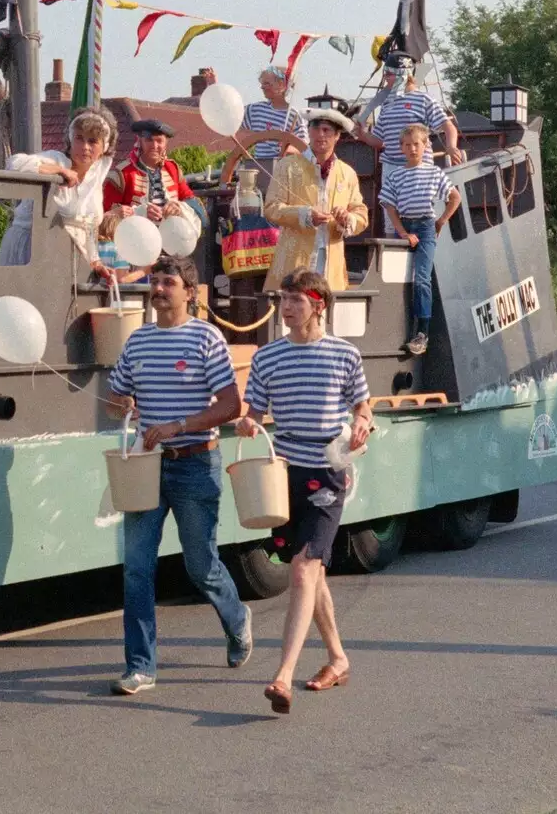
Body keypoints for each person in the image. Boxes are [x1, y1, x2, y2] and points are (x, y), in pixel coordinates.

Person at [106, 255, 252, 695]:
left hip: (194, 463)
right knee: (136, 568)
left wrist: (178, 425)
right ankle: (140, 666)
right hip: (147, 467)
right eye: (155, 281)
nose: (159, 288)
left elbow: (231, 406)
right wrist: (122, 404)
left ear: (189, 292)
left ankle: (237, 617)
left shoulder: (206, 338)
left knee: (200, 565)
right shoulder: (137, 341)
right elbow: (114, 396)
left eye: (168, 281)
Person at [236, 268, 372, 714]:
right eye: (284, 298)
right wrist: (248, 421)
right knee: (312, 574)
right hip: (282, 474)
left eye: (296, 299)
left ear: (319, 304)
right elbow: (254, 410)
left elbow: (362, 405)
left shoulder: (345, 355)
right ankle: (337, 658)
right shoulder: (267, 357)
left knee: (302, 567)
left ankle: (283, 676)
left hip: (328, 473)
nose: (287, 306)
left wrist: (362, 424)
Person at [376, 123, 461, 355]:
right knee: (397, 279)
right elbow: (389, 205)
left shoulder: (434, 173)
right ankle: (390, 330)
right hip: (405, 226)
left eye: (417, 144)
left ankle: (422, 333)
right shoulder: (396, 175)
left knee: (422, 277)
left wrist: (441, 221)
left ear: (425, 146)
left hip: (425, 227)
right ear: (401, 148)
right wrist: (402, 232)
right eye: (408, 145)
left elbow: (455, 197)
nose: (413, 149)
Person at [262, 109, 369, 293]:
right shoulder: (287, 166)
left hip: (331, 266)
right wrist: (305, 214)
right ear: (309, 132)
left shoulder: (347, 173)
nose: (321, 135)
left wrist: (347, 218)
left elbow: (360, 213)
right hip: (294, 262)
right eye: (316, 129)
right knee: (292, 310)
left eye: (327, 130)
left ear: (337, 136)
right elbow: (272, 208)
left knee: (327, 316)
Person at [0, 106, 116, 266]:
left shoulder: (95, 178)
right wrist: (59, 171)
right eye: (79, 138)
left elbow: (88, 230)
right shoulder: (56, 159)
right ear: (71, 140)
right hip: (28, 251)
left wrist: (96, 263)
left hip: (63, 260)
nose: (85, 147)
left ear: (103, 148)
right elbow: (13, 164)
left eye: (92, 141)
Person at [352, 65, 463, 171]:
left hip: (420, 168)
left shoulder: (423, 99)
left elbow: (449, 127)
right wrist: (364, 136)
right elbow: (380, 141)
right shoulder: (386, 104)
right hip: (391, 170)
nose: (385, 79)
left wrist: (451, 147)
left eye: (388, 74)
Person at [102, 119, 202, 233]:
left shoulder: (173, 169)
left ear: (166, 144)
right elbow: (105, 216)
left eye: (159, 141)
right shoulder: (122, 173)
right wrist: (138, 213)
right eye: (149, 140)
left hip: (172, 240)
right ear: (140, 141)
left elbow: (194, 204)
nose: (154, 145)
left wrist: (179, 207)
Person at [219, 66, 308, 185]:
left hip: (283, 176)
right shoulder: (256, 110)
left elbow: (304, 146)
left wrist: (288, 148)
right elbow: (231, 116)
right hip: (258, 171)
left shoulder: (294, 116)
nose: (262, 87)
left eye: (267, 83)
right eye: (262, 83)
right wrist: (215, 87)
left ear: (281, 84)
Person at [91, 209, 147, 285]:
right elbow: (121, 279)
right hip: (109, 291)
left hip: (92, 289)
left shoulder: (93, 247)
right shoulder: (119, 249)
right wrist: (143, 271)